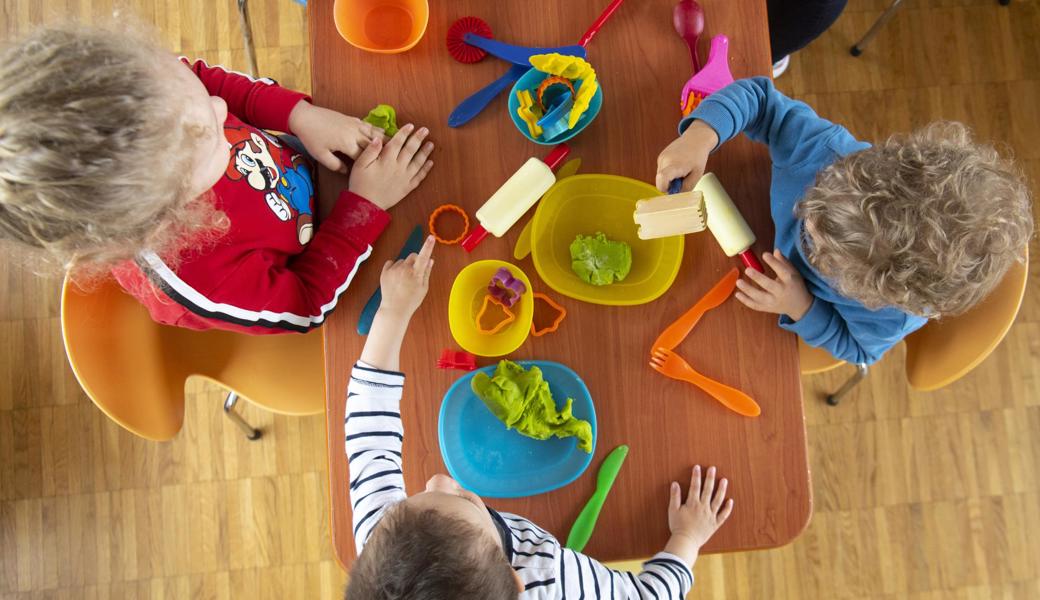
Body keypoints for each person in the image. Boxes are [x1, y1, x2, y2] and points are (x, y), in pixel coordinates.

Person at [343, 235, 735, 599]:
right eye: (461, 499)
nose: (437, 479)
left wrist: (392, 312)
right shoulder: (552, 578)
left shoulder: (384, 546)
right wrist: (687, 538)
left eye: (415, 499)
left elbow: (370, 434)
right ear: (516, 581)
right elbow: (650, 596)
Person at [0, 24, 434, 334]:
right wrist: (363, 206)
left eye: (196, 93)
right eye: (209, 134)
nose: (222, 109)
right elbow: (305, 303)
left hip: (314, 175)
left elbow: (208, 81)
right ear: (168, 214)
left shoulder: (144, 97)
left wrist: (299, 115)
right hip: (332, 256)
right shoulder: (200, 279)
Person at [655, 77, 1033, 365]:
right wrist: (701, 136)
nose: (806, 226)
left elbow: (857, 350)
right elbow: (761, 101)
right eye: (816, 204)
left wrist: (802, 306)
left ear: (872, 293)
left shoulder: (891, 316)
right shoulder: (824, 154)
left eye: (825, 255)